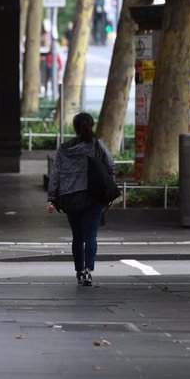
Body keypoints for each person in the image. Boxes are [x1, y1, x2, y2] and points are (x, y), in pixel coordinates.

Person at [46, 112, 115, 286]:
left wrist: (52, 197)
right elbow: (110, 168)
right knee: (91, 236)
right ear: (91, 125)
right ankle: (88, 271)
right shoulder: (98, 146)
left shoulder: (64, 148)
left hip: (70, 198)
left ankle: (78, 270)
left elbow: (56, 174)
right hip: (94, 197)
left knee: (77, 237)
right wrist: (110, 194)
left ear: (75, 127)